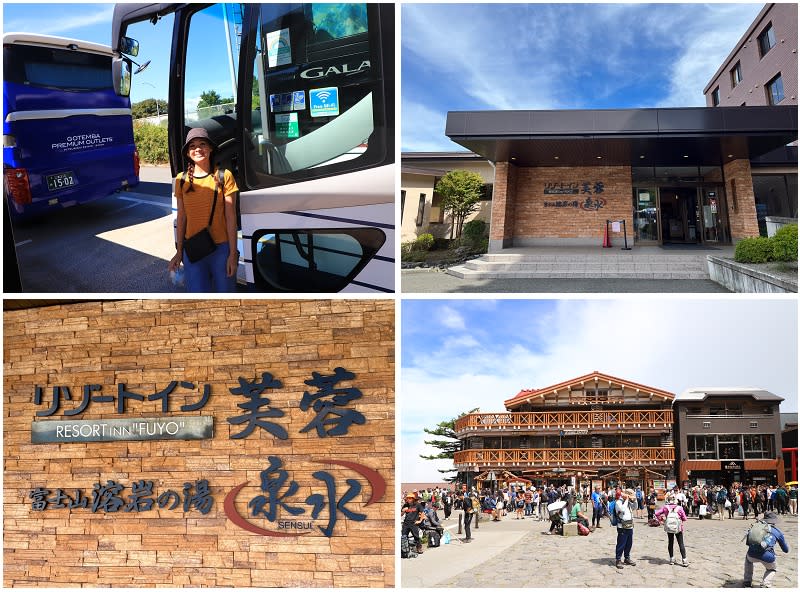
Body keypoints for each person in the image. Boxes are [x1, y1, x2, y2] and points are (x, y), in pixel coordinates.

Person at [168, 128, 239, 292]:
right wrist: (179, 253)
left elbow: (230, 217)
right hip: (193, 251)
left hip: (221, 250)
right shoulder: (181, 180)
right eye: (192, 146)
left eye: (202, 144)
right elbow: (182, 218)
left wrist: (233, 254)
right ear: (187, 153)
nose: (197, 149)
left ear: (210, 148)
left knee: (227, 296)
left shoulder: (224, 176)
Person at [743, 511, 790, 588]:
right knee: (772, 569)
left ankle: (747, 581)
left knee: (748, 560)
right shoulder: (777, 531)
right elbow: (785, 550)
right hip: (768, 557)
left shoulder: (755, 527)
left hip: (752, 555)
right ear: (774, 521)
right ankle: (766, 583)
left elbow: (748, 542)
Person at [655, 494, 689, 567]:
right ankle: (684, 560)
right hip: (678, 528)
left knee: (670, 542)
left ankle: (671, 559)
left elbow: (657, 513)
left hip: (669, 527)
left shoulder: (665, 507)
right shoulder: (679, 508)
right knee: (681, 543)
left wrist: (662, 520)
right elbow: (685, 518)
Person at [613, 488, 636, 569]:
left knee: (629, 543)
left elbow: (635, 507)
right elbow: (622, 510)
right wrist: (626, 500)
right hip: (622, 526)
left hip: (629, 525)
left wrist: (634, 500)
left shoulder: (629, 502)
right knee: (621, 543)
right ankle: (618, 559)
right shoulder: (618, 502)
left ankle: (627, 557)